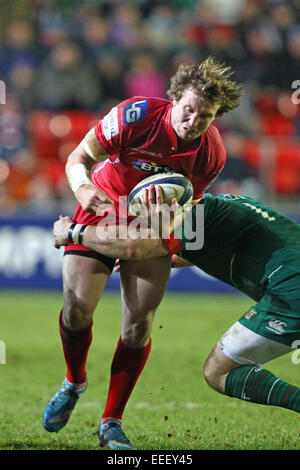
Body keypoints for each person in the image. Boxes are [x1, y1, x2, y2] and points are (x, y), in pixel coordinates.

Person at [43, 56, 243, 450]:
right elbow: (78, 158)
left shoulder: (211, 154)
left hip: (154, 224)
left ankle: (111, 422)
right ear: (173, 100)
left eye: (205, 116)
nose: (193, 122)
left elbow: (186, 216)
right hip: (101, 208)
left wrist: (168, 242)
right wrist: (83, 189)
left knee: (138, 326)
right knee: (76, 309)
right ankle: (74, 381)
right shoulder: (136, 115)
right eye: (188, 110)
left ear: (215, 116)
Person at [53, 190, 300, 421]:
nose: (145, 219)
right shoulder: (214, 209)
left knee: (219, 372)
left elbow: (133, 246)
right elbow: (201, 239)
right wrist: (170, 258)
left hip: (293, 291)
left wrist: (73, 232)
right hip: (291, 280)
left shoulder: (190, 217)